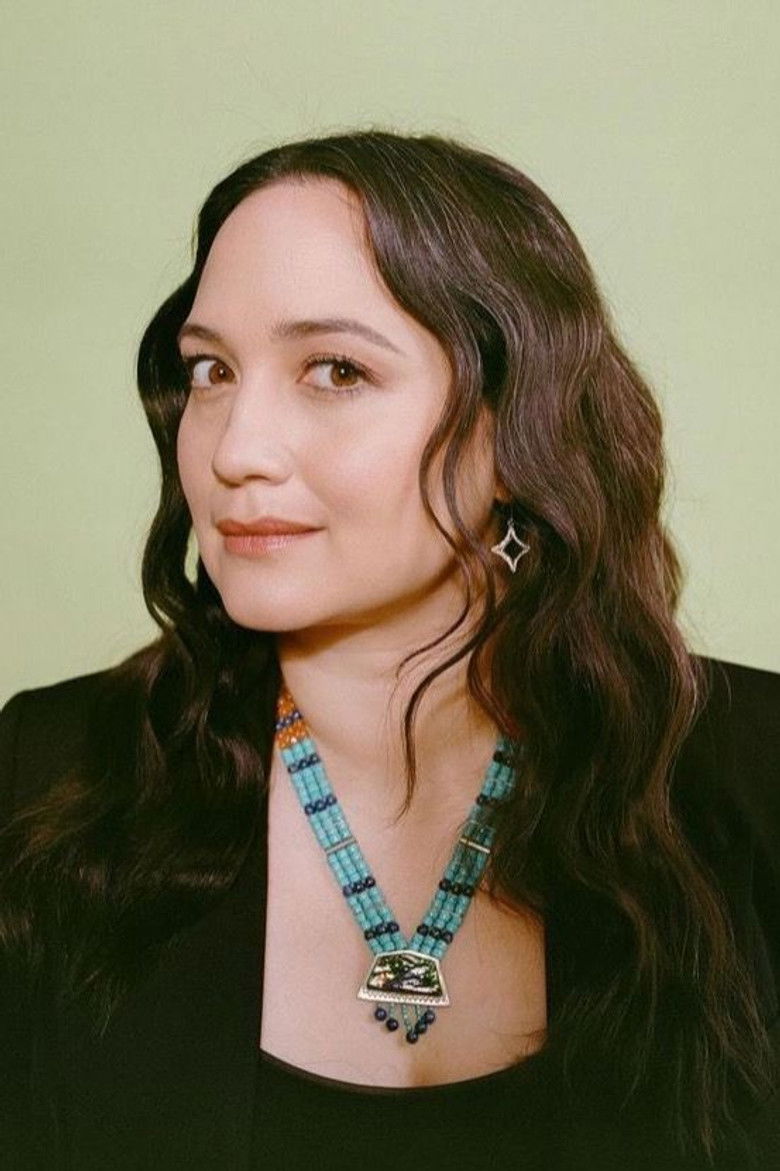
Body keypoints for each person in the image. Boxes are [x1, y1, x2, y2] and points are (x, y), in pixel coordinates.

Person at [0, 130, 777, 1171]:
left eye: (335, 369)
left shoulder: (754, 774)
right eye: (211, 370)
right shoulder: (43, 775)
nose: (235, 449)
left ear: (515, 425)